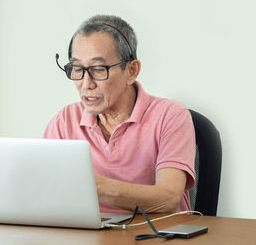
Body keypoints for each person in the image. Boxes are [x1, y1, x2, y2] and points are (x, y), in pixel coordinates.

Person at [44, 15, 195, 213]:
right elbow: (46, 191)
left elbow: (168, 198)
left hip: (154, 237)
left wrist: (91, 185)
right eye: (77, 69)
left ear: (132, 70)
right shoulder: (65, 121)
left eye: (98, 69)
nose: (86, 84)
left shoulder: (171, 115)